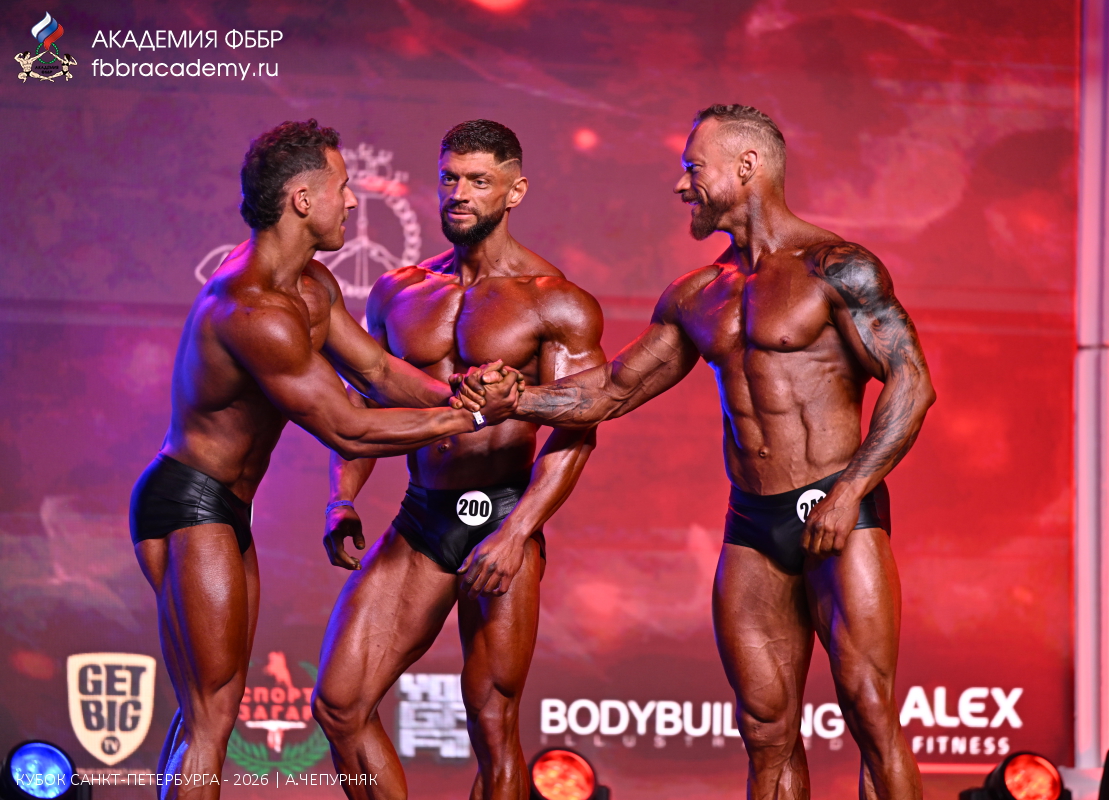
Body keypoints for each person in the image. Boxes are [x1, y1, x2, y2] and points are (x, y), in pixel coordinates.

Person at [461, 104, 935, 800]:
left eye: (693, 168)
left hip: (839, 506)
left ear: (747, 167)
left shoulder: (836, 268)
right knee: (766, 731)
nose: (682, 185)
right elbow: (613, 390)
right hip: (753, 524)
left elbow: (912, 383)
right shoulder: (698, 294)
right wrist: (517, 400)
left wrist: (850, 490)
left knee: (869, 710)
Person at [128, 119, 520, 800]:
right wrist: (475, 416)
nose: (353, 201)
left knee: (209, 707)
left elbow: (377, 371)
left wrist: (461, 391)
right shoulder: (253, 310)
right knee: (211, 715)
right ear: (303, 199)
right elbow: (349, 430)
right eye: (342, 187)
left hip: (227, 508)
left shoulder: (310, 285)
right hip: (186, 502)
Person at [311, 119, 605, 800]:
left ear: (514, 191)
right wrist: (341, 496)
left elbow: (579, 426)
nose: (459, 193)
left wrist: (518, 533)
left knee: (492, 721)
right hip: (423, 516)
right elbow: (367, 404)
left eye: (478, 181)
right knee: (340, 703)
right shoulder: (398, 290)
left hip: (503, 515)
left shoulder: (553, 299)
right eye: (449, 178)